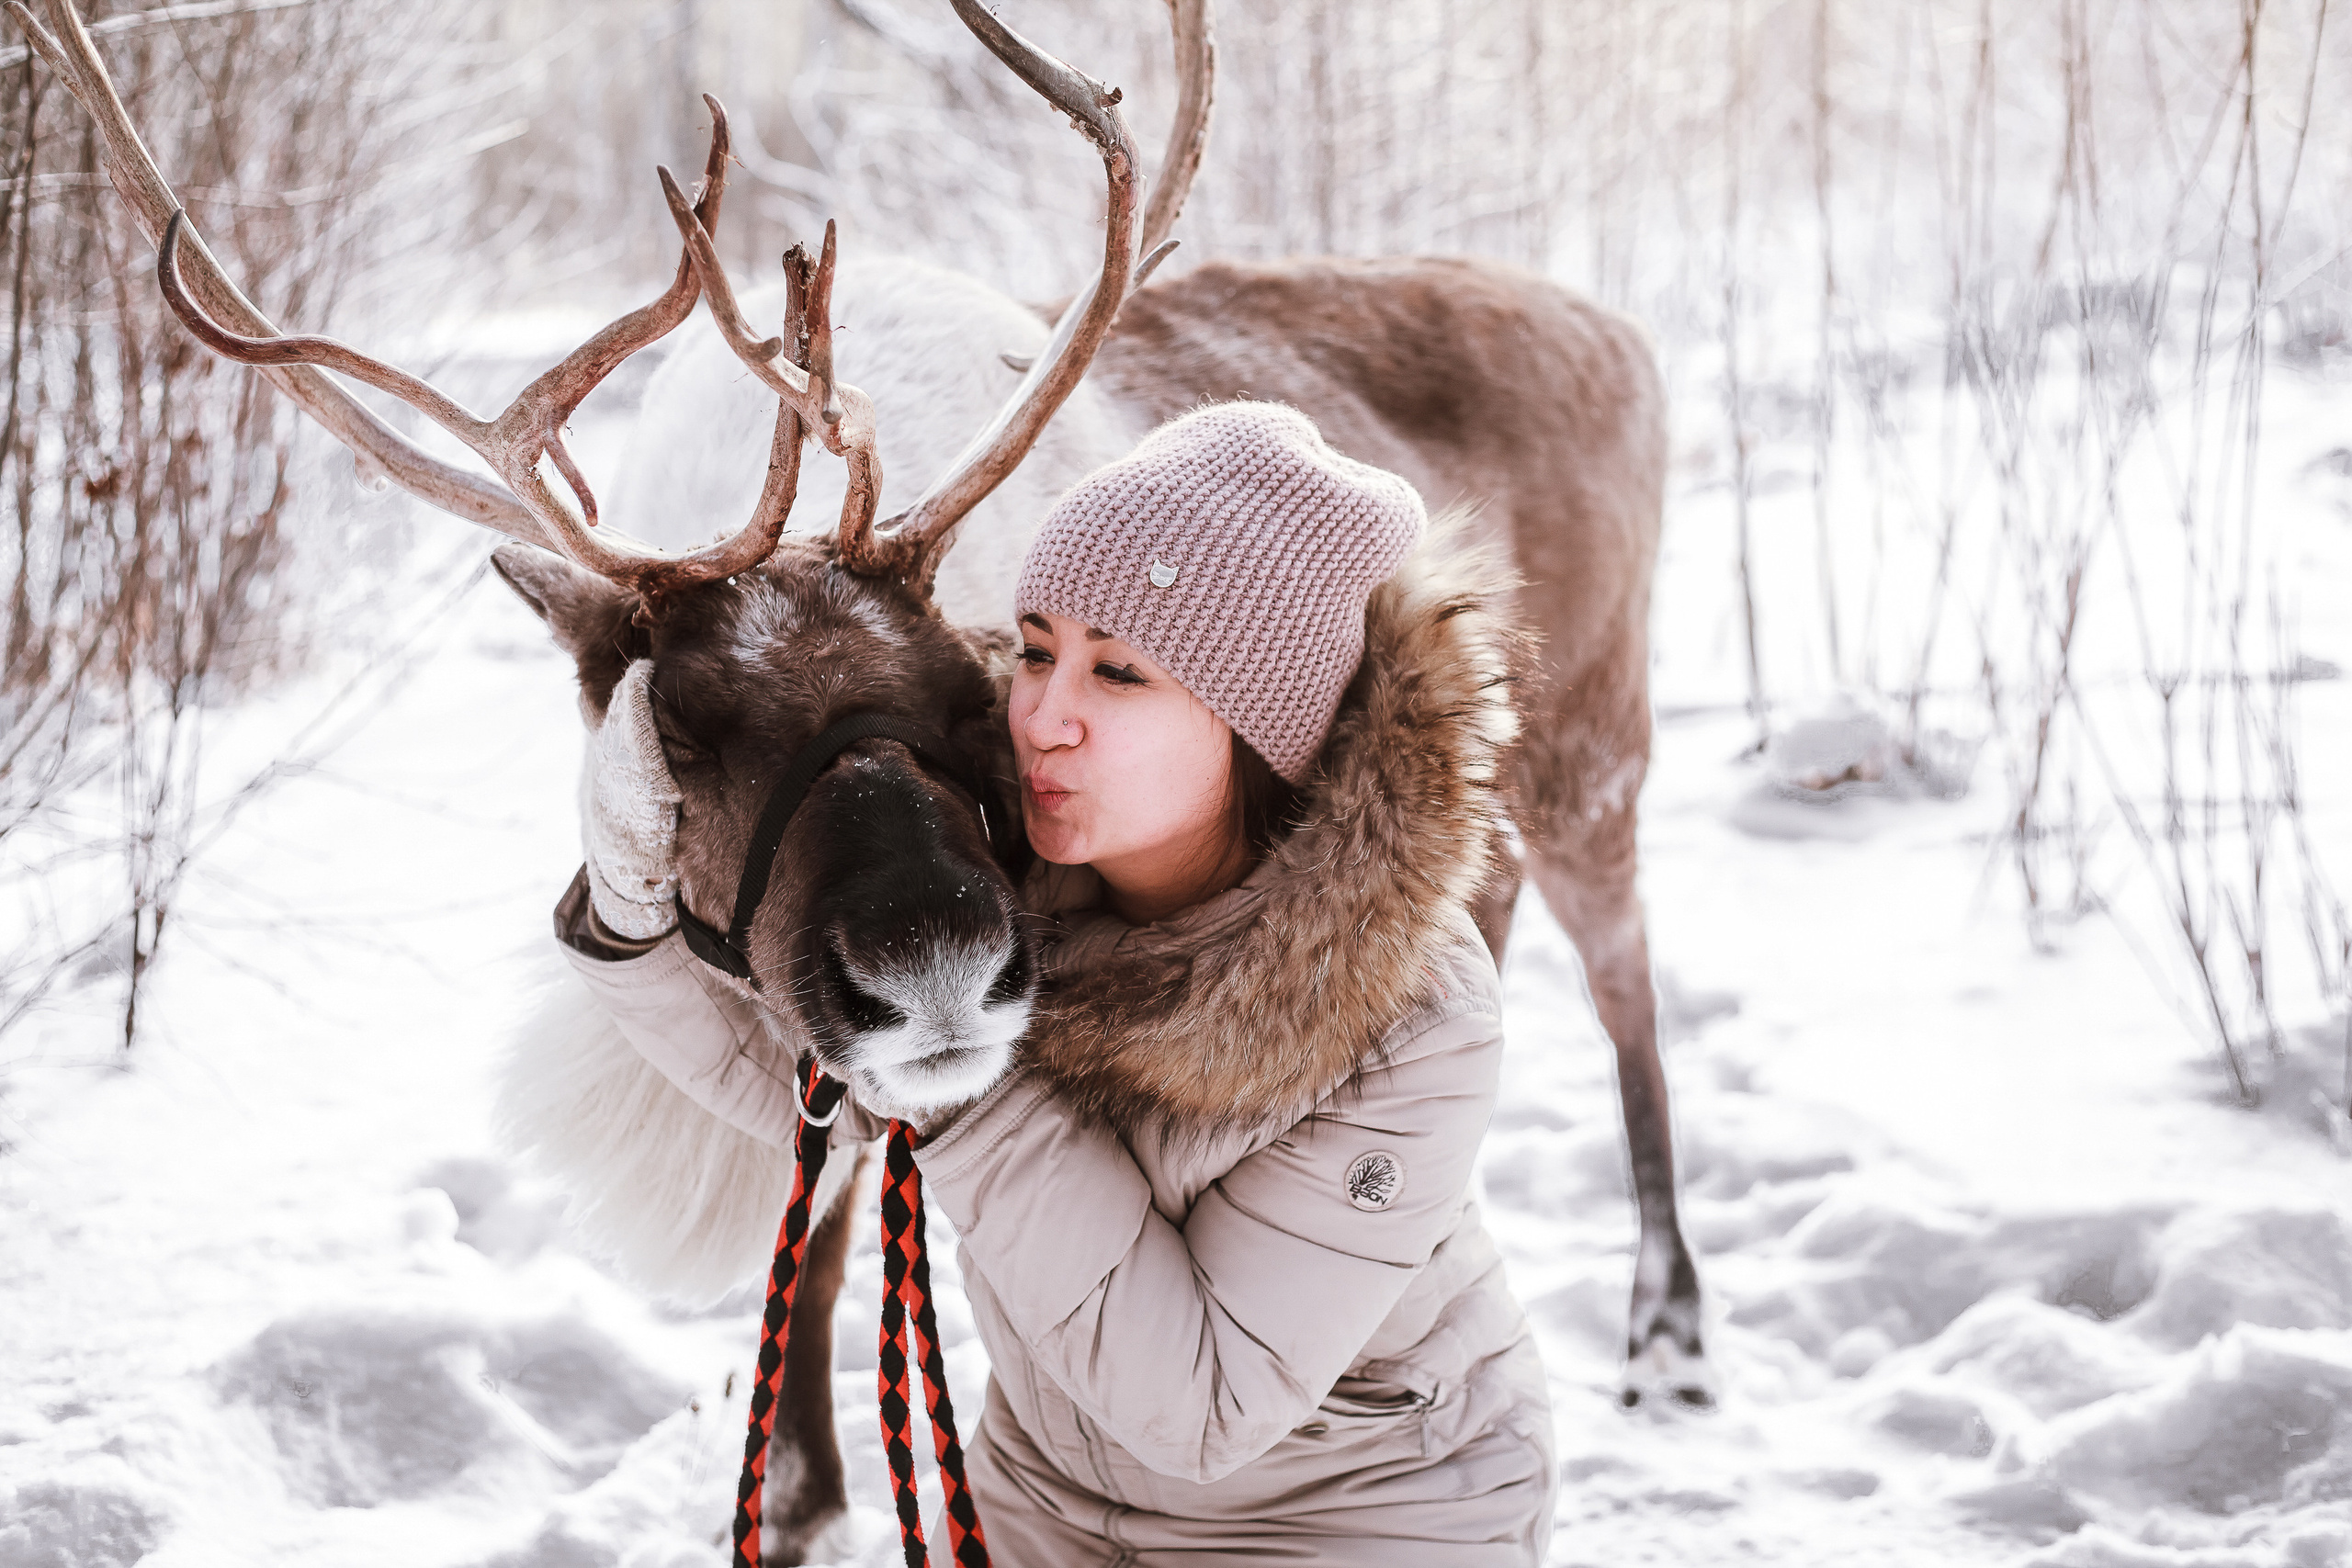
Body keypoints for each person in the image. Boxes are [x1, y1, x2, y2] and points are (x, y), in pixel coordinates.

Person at [529, 401, 1555, 1563]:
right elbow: (827, 1095)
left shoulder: (1410, 1020)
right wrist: (627, 909)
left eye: (1118, 673)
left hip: (1358, 1517)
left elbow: (1208, 1407)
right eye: (1031, 649)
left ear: (1262, 726)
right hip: (1040, 1508)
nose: (1042, 717)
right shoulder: (1022, 865)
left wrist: (959, 1072)